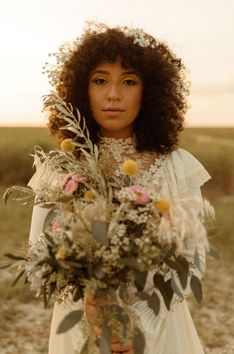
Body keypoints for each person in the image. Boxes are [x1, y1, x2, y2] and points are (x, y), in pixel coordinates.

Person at [28, 21, 211, 354]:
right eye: (100, 80)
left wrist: (137, 322)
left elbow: (193, 262)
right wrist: (96, 315)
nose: (113, 94)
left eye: (129, 81)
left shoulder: (176, 165)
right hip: (81, 328)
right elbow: (40, 258)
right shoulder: (59, 169)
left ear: (151, 90)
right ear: (82, 89)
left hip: (159, 329)